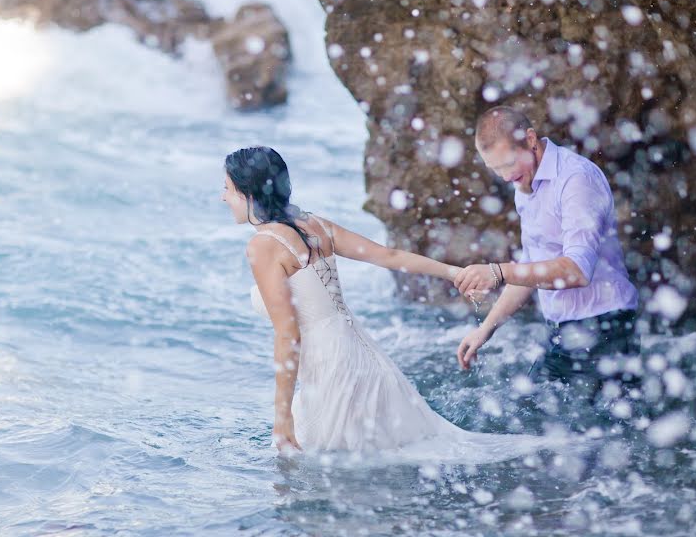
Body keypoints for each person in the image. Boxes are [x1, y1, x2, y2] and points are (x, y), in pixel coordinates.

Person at [222, 145, 551, 459]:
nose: (224, 197)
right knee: (382, 455)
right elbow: (388, 255)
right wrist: (454, 273)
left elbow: (287, 334)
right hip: (362, 355)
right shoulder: (315, 224)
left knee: (310, 467)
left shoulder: (262, 246)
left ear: (248, 195)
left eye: (228, 189)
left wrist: (281, 416)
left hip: (329, 368)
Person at [454, 106, 639, 398]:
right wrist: (486, 328)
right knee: (527, 422)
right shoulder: (524, 183)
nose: (505, 177)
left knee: (542, 428)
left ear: (530, 139)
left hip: (604, 332)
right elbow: (531, 265)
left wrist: (498, 272)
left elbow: (577, 271)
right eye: (495, 170)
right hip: (564, 334)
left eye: (508, 164)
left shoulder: (576, 180)